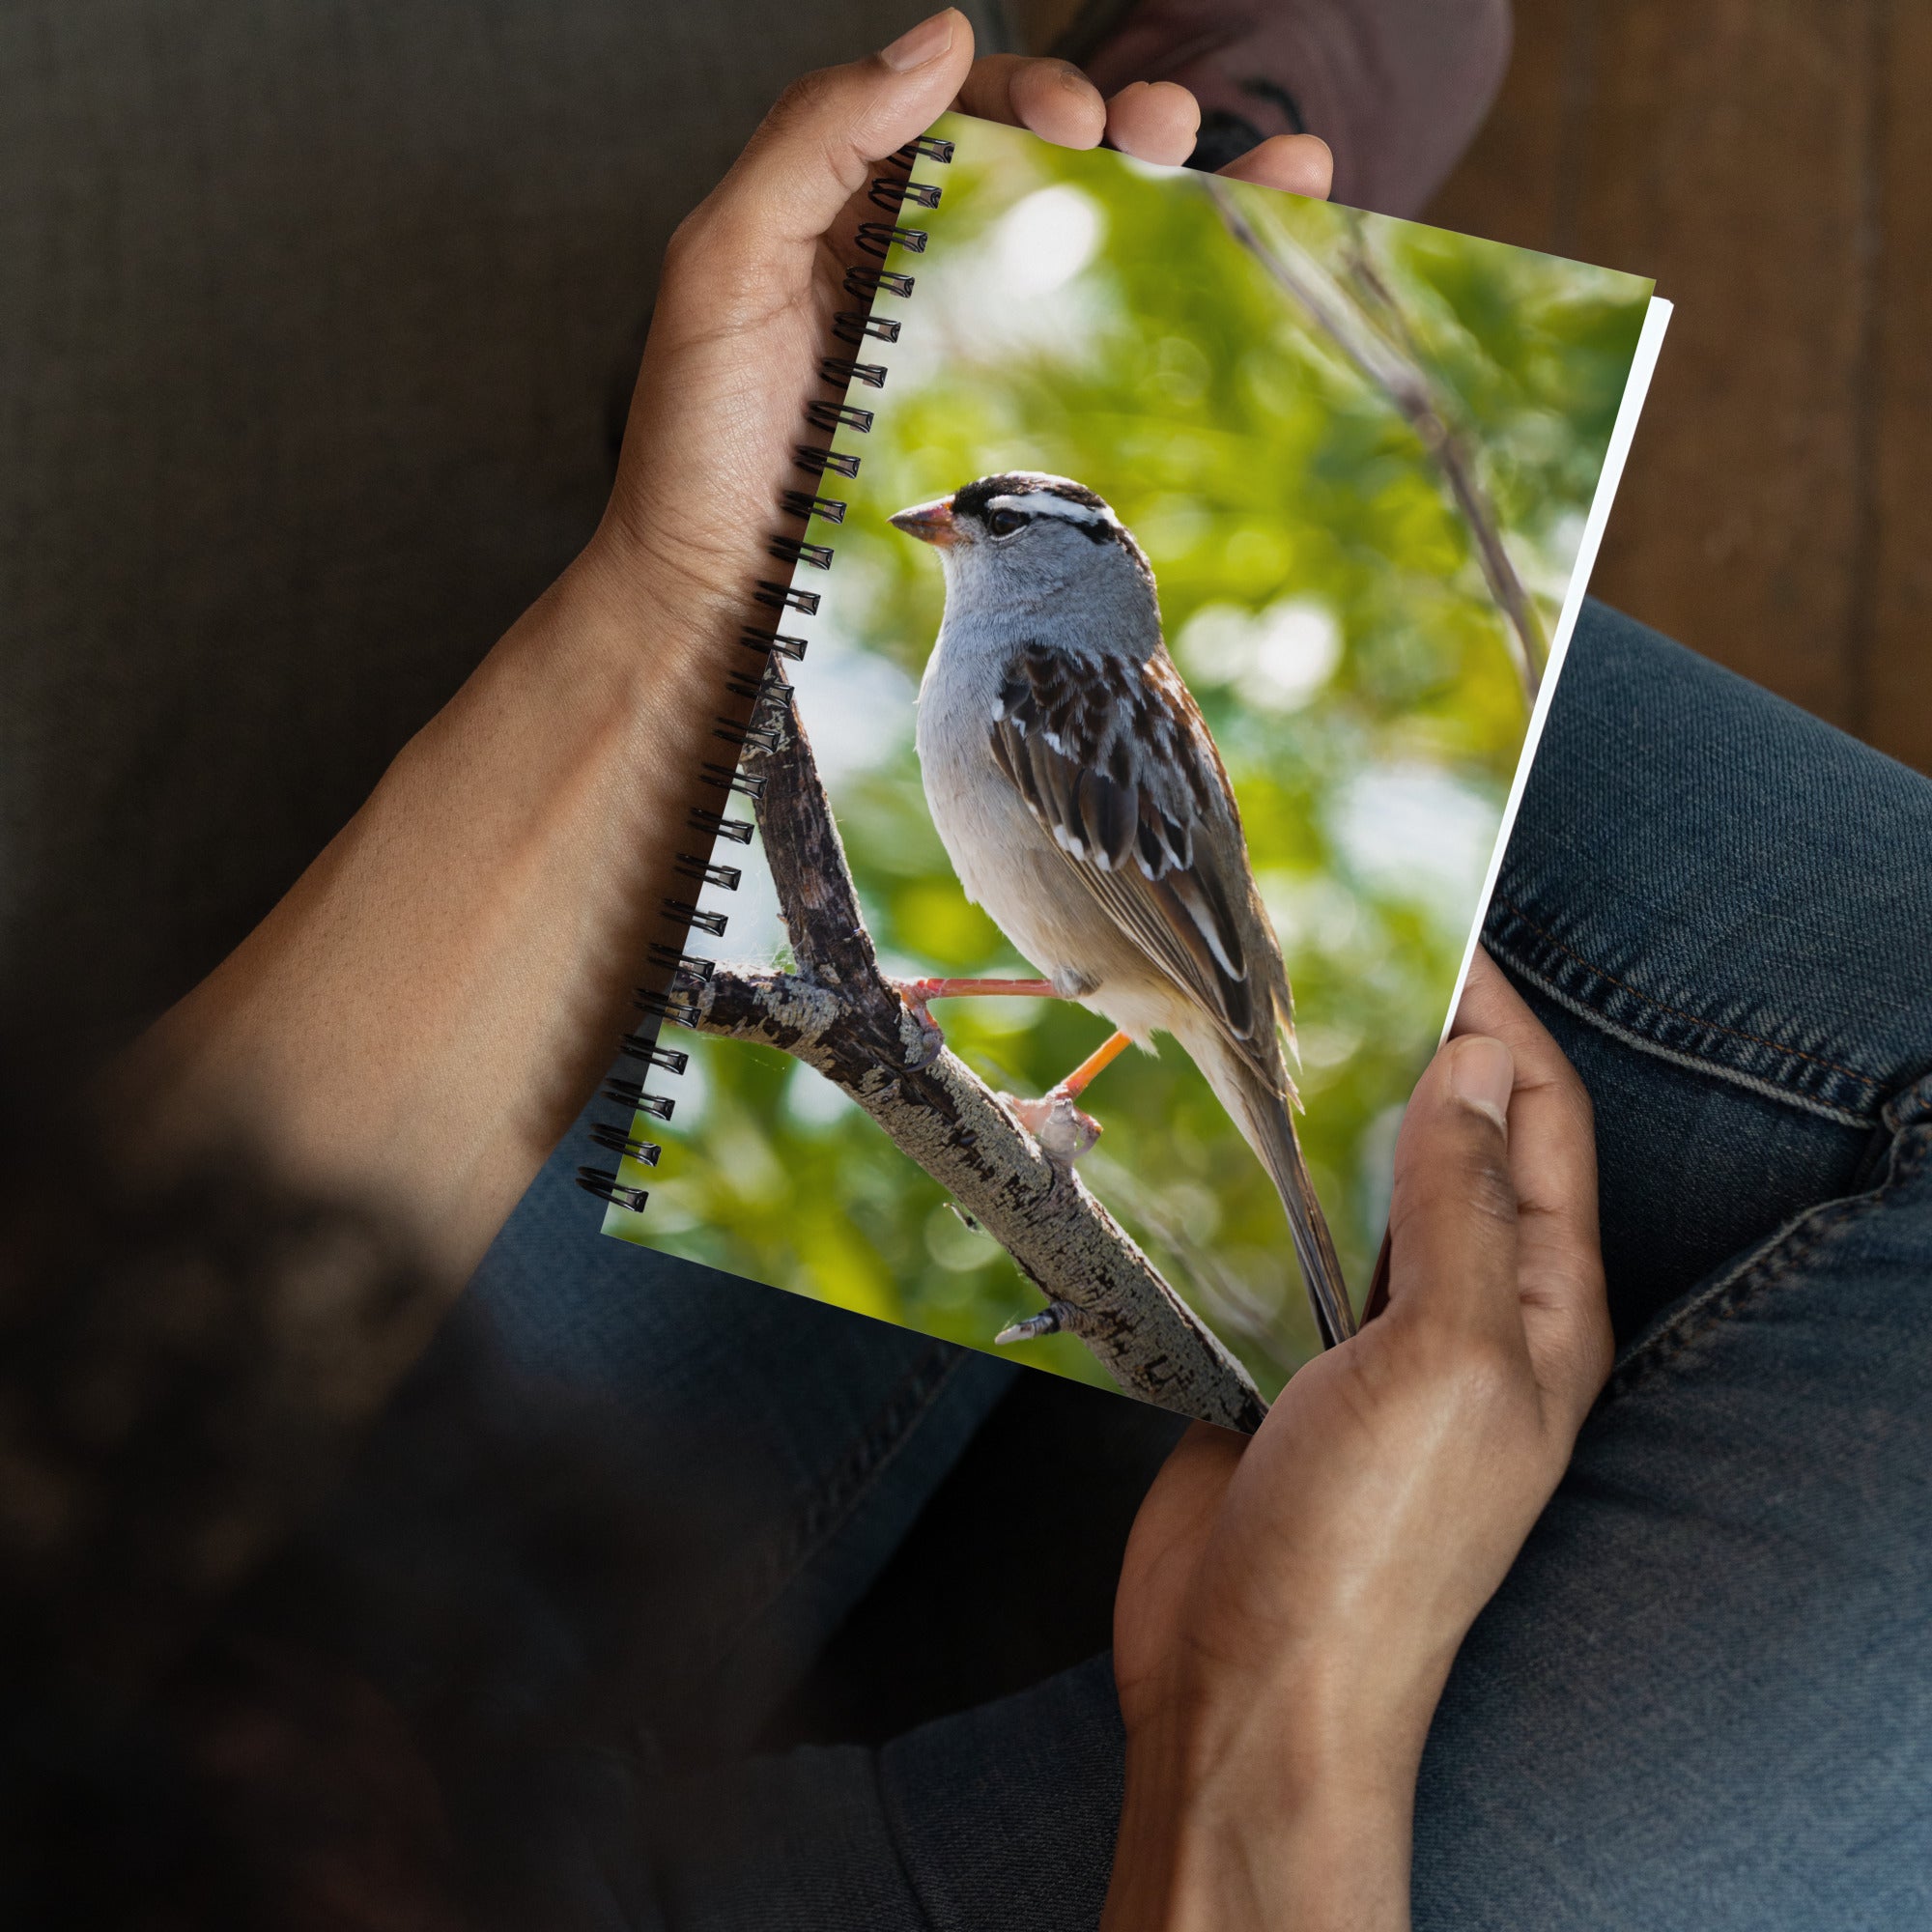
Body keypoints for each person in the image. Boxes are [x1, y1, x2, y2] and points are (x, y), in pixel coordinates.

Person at [7, 13, 1931, 1930]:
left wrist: (675, 607)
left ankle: (954, 375)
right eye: (950, 513)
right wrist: (1270, 1728)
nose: (946, 525)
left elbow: (74, 1420)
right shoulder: (1036, 677)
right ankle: (1217, 196)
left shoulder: (1047, 672)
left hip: (186, 1691)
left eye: (975, 513)